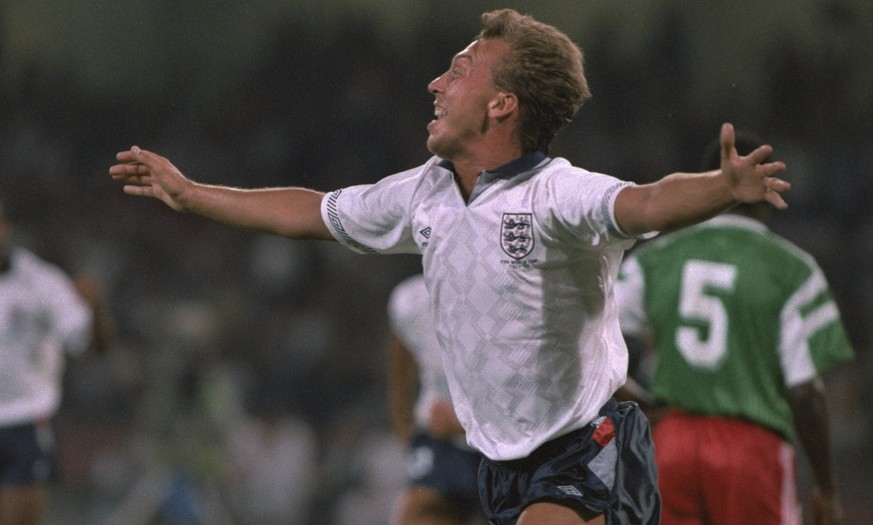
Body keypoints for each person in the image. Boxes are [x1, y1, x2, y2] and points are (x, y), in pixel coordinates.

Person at [109, 9, 790, 524]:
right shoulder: (424, 193)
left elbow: (645, 203)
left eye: (459, 70)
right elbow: (310, 211)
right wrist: (192, 193)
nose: (436, 82)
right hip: (494, 461)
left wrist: (721, 188)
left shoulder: (557, 192)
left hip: (586, 449)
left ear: (501, 104)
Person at [614, 132, 854, 525]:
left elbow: (587, 339)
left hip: (670, 441)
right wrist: (827, 488)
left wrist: (637, 401)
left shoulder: (654, 260)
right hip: (752, 447)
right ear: (768, 191)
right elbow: (806, 393)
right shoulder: (792, 271)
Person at [0, 199, 114, 525]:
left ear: (5, 228)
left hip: (23, 423)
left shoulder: (40, 282)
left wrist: (97, 310)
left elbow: (92, 345)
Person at [387, 274, 485, 525]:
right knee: (417, 511)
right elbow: (401, 359)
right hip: (443, 443)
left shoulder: (511, 296)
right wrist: (403, 421)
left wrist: (462, 423)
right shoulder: (411, 300)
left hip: (509, 444)